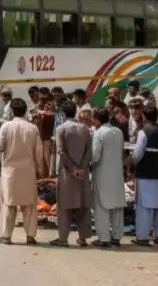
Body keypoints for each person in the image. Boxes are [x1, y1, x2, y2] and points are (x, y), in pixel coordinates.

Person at [0, 98, 42, 245]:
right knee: (29, 206)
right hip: (28, 171)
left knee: (9, 205)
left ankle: (7, 236)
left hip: (10, 173)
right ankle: (30, 236)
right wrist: (39, 171)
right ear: (25, 111)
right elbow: (38, 153)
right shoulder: (33, 128)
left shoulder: (6, 126)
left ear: (12, 111)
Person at [51, 102, 92, 247]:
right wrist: (81, 167)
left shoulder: (61, 129)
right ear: (75, 112)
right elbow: (89, 151)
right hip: (82, 173)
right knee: (82, 206)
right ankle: (83, 238)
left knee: (64, 207)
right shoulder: (85, 129)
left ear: (62, 112)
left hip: (66, 173)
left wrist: (73, 168)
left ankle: (63, 239)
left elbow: (61, 151)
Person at [131, 104, 158, 246]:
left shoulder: (144, 132)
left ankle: (142, 237)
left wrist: (132, 163)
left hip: (145, 175)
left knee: (144, 208)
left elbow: (137, 155)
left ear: (144, 116)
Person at [91, 107, 125, 248]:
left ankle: (103, 238)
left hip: (102, 174)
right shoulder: (118, 132)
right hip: (117, 174)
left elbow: (95, 156)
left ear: (97, 119)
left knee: (101, 207)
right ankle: (116, 237)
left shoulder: (99, 134)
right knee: (117, 207)